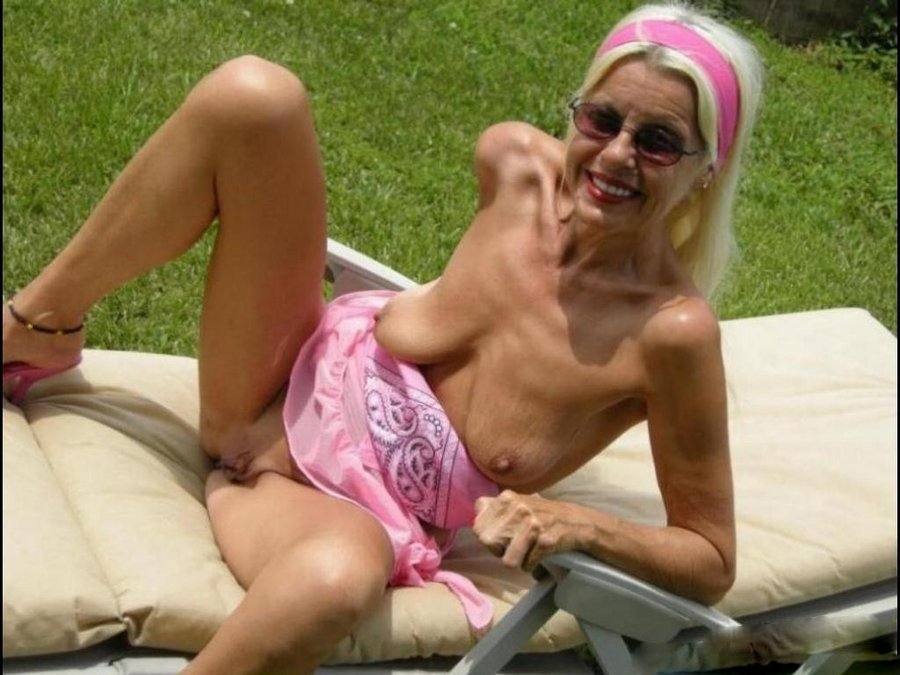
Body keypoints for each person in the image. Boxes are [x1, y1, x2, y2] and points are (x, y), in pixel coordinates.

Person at [2, 2, 763, 673]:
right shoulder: (513, 166)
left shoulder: (670, 335)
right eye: (601, 120)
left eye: (659, 141)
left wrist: (574, 522)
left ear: (707, 168)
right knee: (256, 95)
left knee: (335, 582)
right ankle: (37, 324)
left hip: (320, 505)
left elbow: (710, 556)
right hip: (280, 370)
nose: (617, 155)